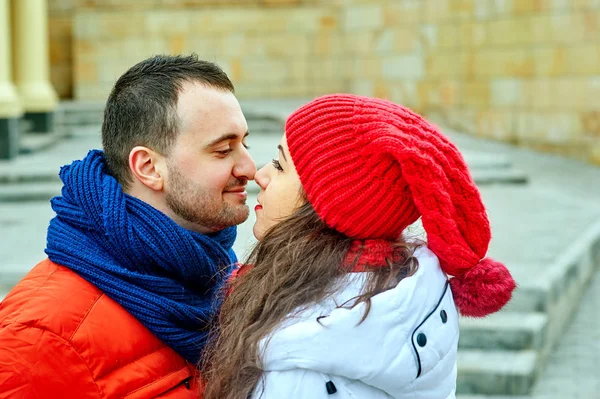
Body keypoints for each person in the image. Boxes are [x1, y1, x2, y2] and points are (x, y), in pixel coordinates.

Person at [201, 94, 516, 399]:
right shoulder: (410, 286)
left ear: (328, 205)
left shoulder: (297, 368)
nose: (260, 174)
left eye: (279, 165)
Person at [0, 54, 255, 398]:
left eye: (245, 143)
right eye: (223, 150)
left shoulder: (220, 280)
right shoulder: (40, 337)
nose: (250, 168)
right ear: (148, 167)